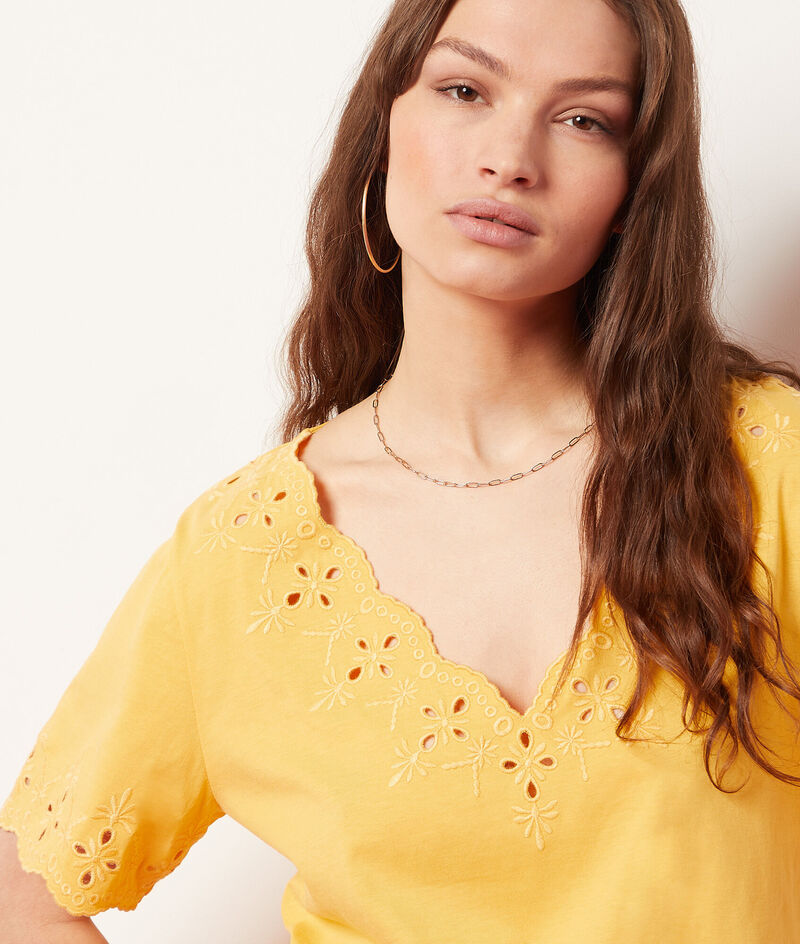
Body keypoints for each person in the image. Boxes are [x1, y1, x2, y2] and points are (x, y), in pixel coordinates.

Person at [2, 0, 799, 939]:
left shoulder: (766, 463)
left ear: (636, 187)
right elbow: (27, 895)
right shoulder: (246, 553)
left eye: (584, 118)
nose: (510, 158)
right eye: (465, 90)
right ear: (383, 125)